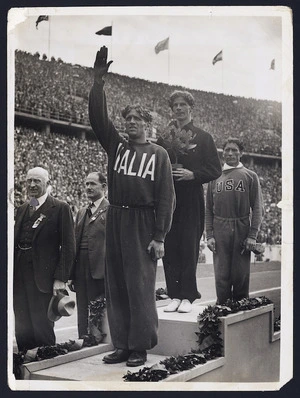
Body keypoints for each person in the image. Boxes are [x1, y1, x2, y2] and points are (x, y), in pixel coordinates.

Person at [89, 46, 175, 367]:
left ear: (148, 124)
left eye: (137, 119)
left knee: (139, 285)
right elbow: (98, 120)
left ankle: (140, 345)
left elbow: (166, 196)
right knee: (117, 283)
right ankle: (122, 343)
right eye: (128, 119)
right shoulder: (117, 147)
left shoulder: (159, 154)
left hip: (142, 221)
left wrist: (160, 236)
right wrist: (98, 84)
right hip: (117, 216)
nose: (131, 123)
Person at [156, 90, 222, 313]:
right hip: (169, 197)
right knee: (170, 245)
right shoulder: (164, 138)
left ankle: (188, 295)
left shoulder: (204, 138)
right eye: (175, 105)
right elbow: (155, 163)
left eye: (183, 104)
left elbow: (215, 169)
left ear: (190, 107)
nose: (179, 108)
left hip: (192, 198)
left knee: (188, 246)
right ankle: (174, 294)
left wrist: (192, 175)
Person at [13, 167, 75, 351]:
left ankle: (45, 358)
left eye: (37, 181)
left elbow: (68, 246)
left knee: (42, 326)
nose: (32, 185)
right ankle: (24, 360)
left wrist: (60, 278)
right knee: (22, 324)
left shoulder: (60, 207)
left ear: (47, 183)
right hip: (19, 277)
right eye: (29, 181)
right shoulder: (23, 208)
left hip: (44, 279)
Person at [205, 138, 264, 304]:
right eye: (227, 150)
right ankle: (222, 311)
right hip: (219, 227)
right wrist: (209, 234)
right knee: (221, 274)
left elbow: (258, 208)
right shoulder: (214, 177)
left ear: (241, 153)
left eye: (234, 150)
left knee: (240, 275)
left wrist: (252, 235)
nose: (230, 153)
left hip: (242, 227)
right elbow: (208, 208)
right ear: (222, 153)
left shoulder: (250, 176)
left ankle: (239, 313)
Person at [69, 172, 109, 338]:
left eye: (93, 184)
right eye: (86, 184)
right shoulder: (81, 211)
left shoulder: (110, 210)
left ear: (104, 187)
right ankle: (82, 338)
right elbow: (74, 243)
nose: (88, 187)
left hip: (100, 267)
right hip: (81, 267)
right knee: (82, 306)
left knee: (96, 306)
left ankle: (96, 339)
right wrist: (71, 274)